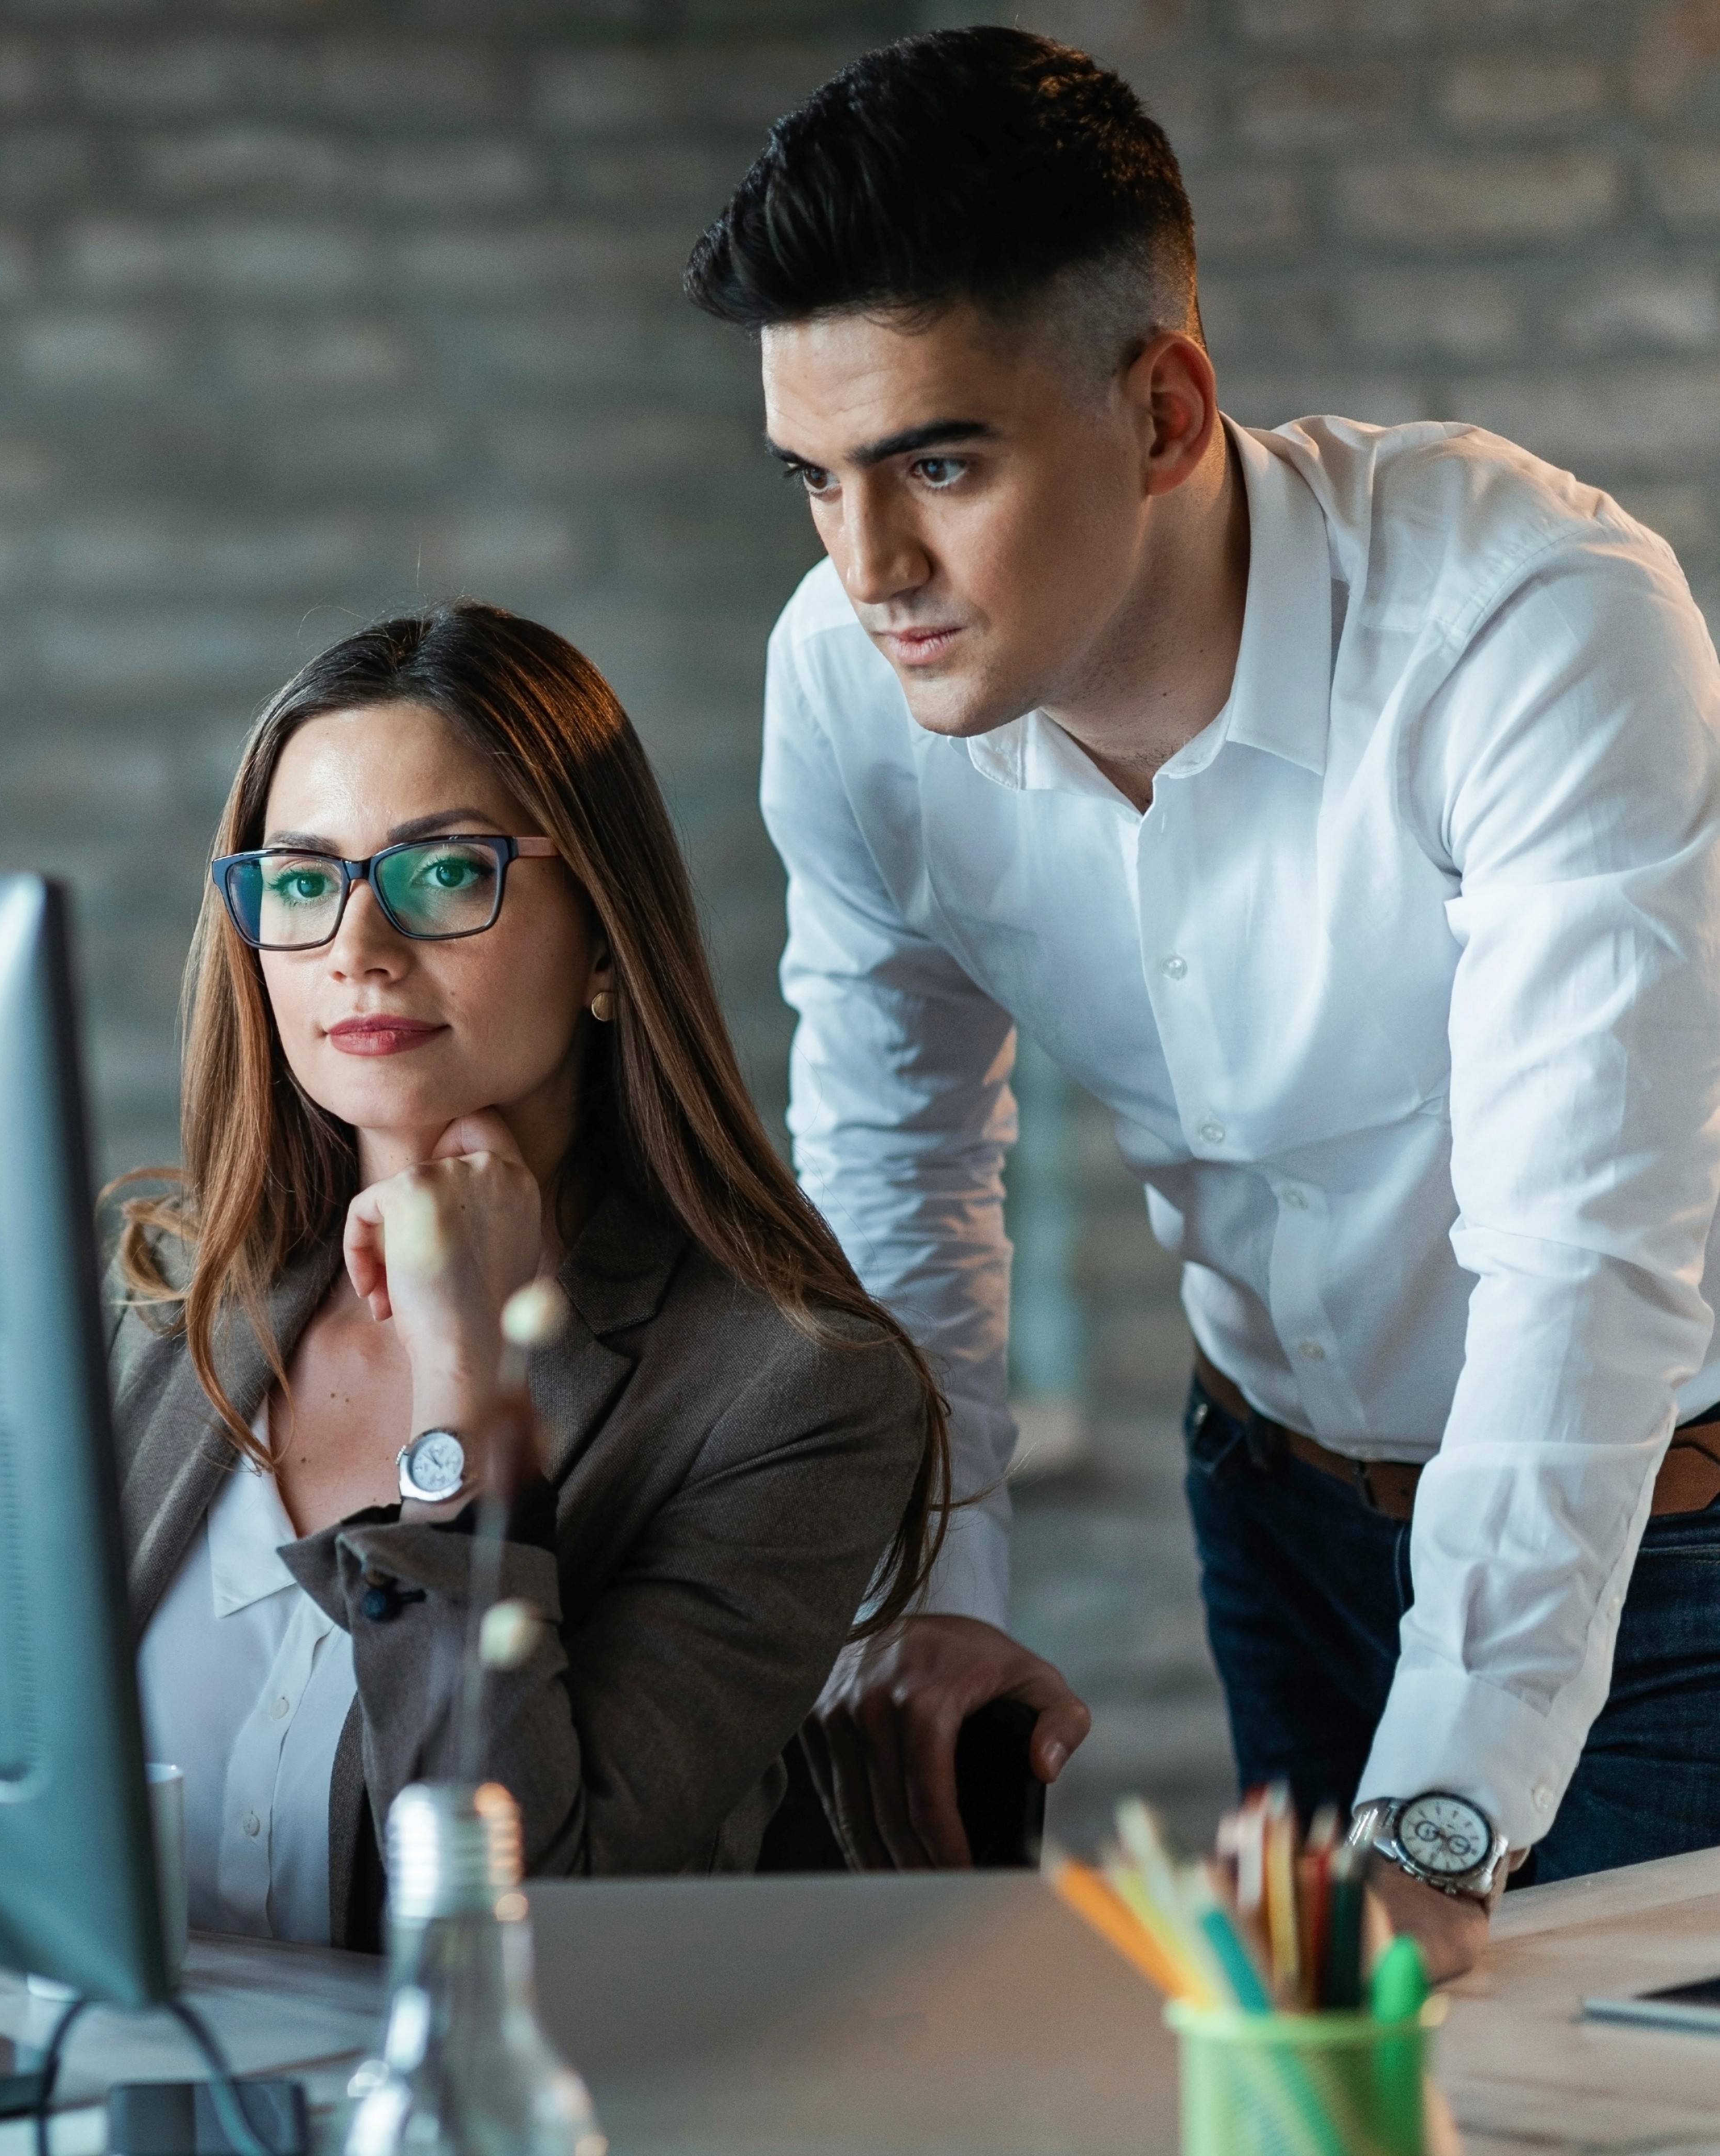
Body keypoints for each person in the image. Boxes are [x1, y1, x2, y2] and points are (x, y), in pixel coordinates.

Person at [689, 29, 1720, 1975]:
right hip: (1282, 1516)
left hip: (1672, 1535)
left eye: (938, 461)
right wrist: (940, 1585)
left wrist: (1441, 1813)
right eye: (814, 480)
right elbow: (896, 1161)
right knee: (1320, 2109)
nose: (869, 565)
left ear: (1165, 412)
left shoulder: (1537, 630)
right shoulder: (842, 677)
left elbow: (1585, 1264)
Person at [108, 603, 947, 1948]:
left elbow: (523, 1904)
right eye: (303, 879)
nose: (357, 947)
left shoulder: (784, 1394)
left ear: (607, 941)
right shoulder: (169, 1314)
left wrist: (461, 1392)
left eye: (444, 874)